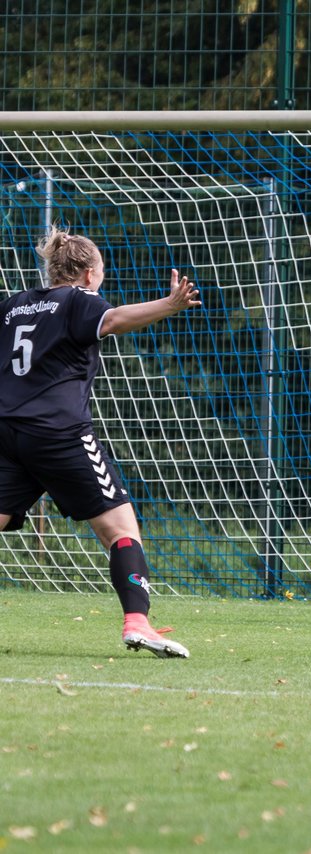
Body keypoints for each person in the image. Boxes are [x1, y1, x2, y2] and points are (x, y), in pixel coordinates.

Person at [0, 227, 201, 658]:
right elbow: (110, 321)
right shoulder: (79, 299)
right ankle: (138, 624)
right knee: (122, 530)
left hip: (7, 431)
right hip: (58, 432)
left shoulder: (14, 306)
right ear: (90, 273)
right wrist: (169, 304)